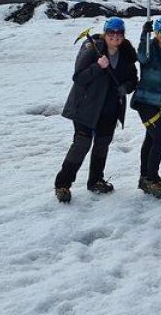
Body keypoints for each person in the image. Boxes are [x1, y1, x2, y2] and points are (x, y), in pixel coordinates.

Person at [55, 17, 137, 203]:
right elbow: (79, 77)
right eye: (111, 33)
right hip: (87, 108)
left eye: (119, 33)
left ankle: (95, 181)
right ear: (105, 33)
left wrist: (127, 87)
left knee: (102, 145)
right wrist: (97, 67)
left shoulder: (125, 54)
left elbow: (133, 78)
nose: (115, 37)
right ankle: (63, 184)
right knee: (81, 145)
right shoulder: (93, 49)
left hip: (110, 109)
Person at [132, 16, 161, 200]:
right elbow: (141, 56)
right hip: (146, 102)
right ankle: (150, 179)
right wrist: (144, 34)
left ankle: (147, 176)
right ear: (156, 33)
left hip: (158, 103)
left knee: (151, 140)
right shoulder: (151, 49)